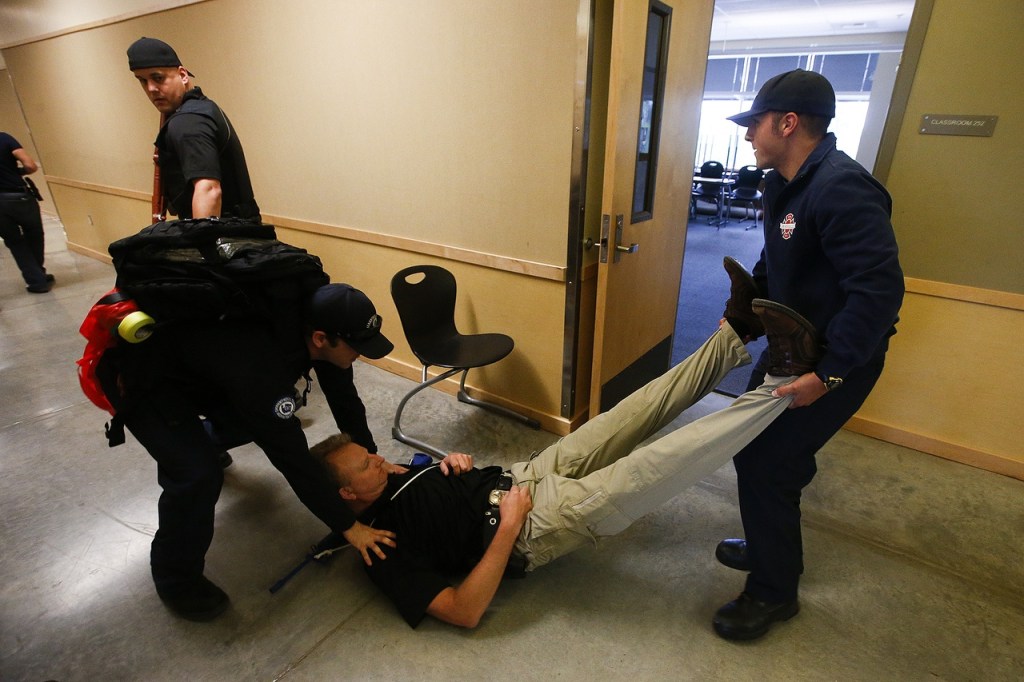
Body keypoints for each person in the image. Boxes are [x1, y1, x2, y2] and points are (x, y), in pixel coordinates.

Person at [312, 274, 822, 629]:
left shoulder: (393, 477)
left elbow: (431, 485)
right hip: (532, 527)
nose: (381, 459)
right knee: (665, 461)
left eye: (372, 455)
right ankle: (782, 381)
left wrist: (453, 464)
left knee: (634, 410)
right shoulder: (378, 551)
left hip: (521, 476)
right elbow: (462, 611)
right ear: (346, 493)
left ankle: (736, 331)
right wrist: (509, 525)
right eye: (367, 465)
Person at [711, 69, 905, 641]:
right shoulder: (783, 184)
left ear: (788, 123)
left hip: (835, 362)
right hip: (791, 349)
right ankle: (773, 549)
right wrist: (743, 315)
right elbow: (778, 264)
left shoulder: (842, 187)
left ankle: (774, 593)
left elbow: (879, 290)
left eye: (754, 124)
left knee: (768, 463)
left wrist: (830, 373)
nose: (748, 135)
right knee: (761, 452)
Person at [105, 282, 396, 621]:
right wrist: (349, 525)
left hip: (204, 370)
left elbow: (346, 403)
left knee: (252, 420)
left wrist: (374, 459)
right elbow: (291, 458)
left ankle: (203, 440)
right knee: (197, 475)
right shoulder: (261, 364)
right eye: (357, 347)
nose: (360, 354)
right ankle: (176, 579)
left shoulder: (321, 332)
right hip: (143, 376)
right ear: (320, 338)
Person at [127, 37, 259, 220]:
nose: (151, 88)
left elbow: (209, 191)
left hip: (227, 238)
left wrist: (201, 244)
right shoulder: (203, 107)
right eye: (142, 80)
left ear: (182, 75)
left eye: (158, 78)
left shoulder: (188, 122)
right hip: (241, 230)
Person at [0, 132, 52, 293]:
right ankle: (38, 275)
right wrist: (16, 172)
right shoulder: (4, 138)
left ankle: (37, 280)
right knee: (34, 233)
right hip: (18, 197)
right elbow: (30, 165)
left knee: (15, 242)